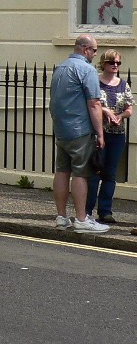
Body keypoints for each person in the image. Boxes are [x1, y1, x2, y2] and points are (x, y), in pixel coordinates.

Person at [48, 34, 109, 233]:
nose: (95, 54)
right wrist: (100, 133)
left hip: (61, 130)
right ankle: (82, 219)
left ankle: (61, 218)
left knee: (62, 171)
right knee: (81, 174)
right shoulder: (87, 69)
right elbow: (94, 103)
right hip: (80, 129)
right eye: (94, 50)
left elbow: (54, 100)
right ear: (85, 49)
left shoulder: (60, 68)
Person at [86, 49, 133, 223]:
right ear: (103, 63)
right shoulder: (96, 82)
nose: (115, 65)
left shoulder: (123, 84)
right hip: (99, 133)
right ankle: (87, 211)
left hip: (117, 134)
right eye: (111, 62)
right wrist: (105, 110)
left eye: (118, 63)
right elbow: (91, 103)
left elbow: (129, 107)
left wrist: (121, 116)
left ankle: (105, 211)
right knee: (95, 172)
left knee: (110, 174)